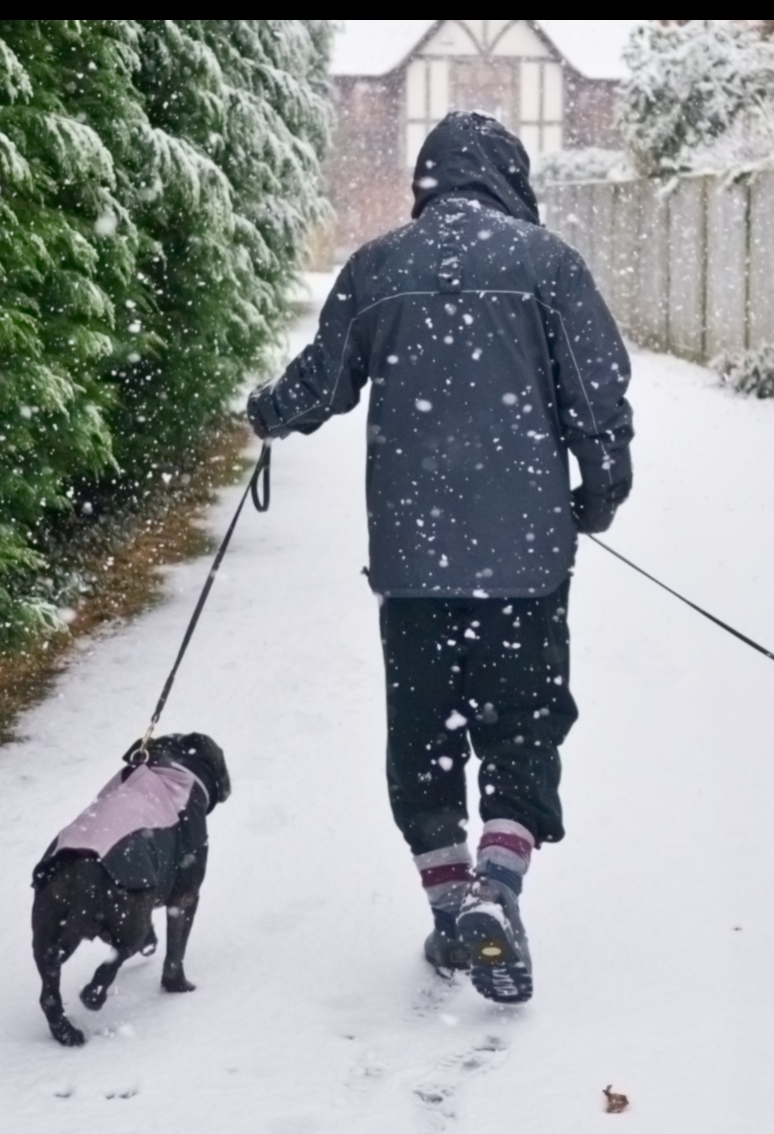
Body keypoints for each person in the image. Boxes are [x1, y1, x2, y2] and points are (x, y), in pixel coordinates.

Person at [246, 111, 633, 1005]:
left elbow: (322, 379)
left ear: (429, 180)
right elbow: (599, 398)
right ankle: (497, 889)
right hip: (526, 562)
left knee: (423, 740)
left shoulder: (380, 268)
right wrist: (597, 496)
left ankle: (451, 899)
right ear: (510, 178)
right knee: (522, 725)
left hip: (413, 564)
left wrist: (269, 412)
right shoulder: (547, 265)